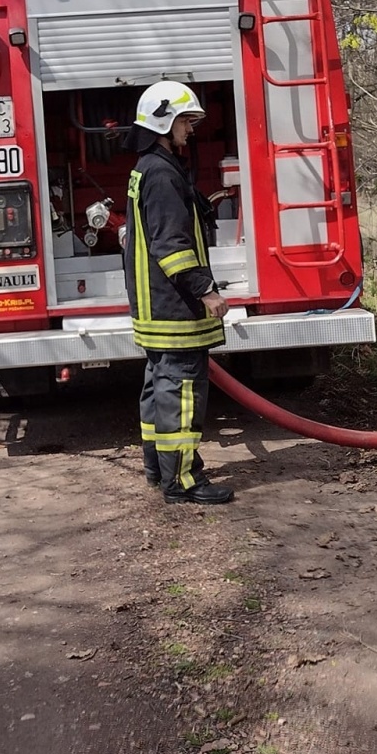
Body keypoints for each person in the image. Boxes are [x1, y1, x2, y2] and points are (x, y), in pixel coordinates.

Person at [123, 81, 233, 504]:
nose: (192, 130)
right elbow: (170, 245)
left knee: (158, 387)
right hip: (174, 308)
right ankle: (182, 480)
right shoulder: (163, 174)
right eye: (187, 121)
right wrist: (206, 290)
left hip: (154, 306)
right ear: (164, 122)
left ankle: (158, 468)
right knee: (181, 392)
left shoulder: (148, 167)